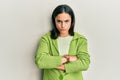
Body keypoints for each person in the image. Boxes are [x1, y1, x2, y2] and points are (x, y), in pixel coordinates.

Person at [35, 4, 90, 80]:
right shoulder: (46, 39)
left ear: (72, 21)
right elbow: (40, 61)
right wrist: (66, 59)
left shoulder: (80, 40)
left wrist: (52, 62)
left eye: (66, 21)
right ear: (54, 21)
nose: (63, 25)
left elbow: (85, 63)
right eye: (59, 21)